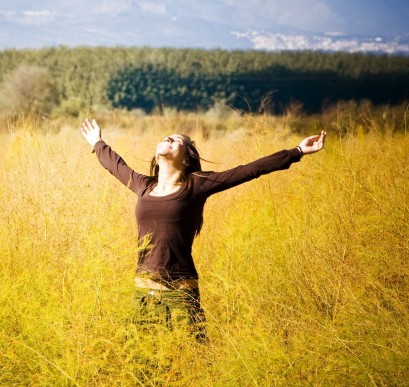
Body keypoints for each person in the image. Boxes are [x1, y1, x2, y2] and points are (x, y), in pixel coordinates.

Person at [79, 118, 326, 341]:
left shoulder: (196, 185)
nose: (168, 139)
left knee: (191, 362)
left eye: (176, 140)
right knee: (139, 364)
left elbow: (249, 170)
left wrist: (297, 151)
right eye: (166, 137)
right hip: (144, 294)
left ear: (186, 159)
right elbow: (115, 165)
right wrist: (97, 142)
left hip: (181, 294)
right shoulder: (143, 185)